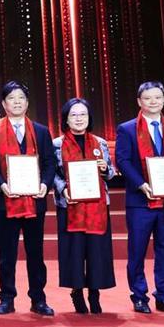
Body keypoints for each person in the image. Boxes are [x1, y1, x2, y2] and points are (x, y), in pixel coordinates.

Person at [115, 81, 164, 314]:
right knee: (137, 250)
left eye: (157, 97)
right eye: (147, 98)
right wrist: (142, 185)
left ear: (163, 99)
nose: (153, 102)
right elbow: (123, 161)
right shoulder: (127, 129)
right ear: (139, 101)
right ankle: (139, 296)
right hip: (140, 201)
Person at [0, 81, 57, 316]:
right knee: (7, 254)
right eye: (11, 98)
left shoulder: (41, 131)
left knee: (36, 253)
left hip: (35, 200)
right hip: (5, 201)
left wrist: (44, 185)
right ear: (4, 104)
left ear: (27, 102)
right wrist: (2, 185)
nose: (17, 102)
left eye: (21, 98)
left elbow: (49, 163)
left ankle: (38, 298)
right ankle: (7, 298)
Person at [52, 98, 116, 314]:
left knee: (96, 251)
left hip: (97, 207)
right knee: (74, 251)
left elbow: (111, 173)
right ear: (66, 119)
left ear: (89, 118)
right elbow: (52, 174)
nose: (79, 119)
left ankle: (94, 294)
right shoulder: (56, 144)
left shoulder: (101, 143)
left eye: (83, 114)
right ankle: (77, 292)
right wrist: (63, 189)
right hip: (70, 205)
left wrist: (106, 169)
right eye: (74, 115)